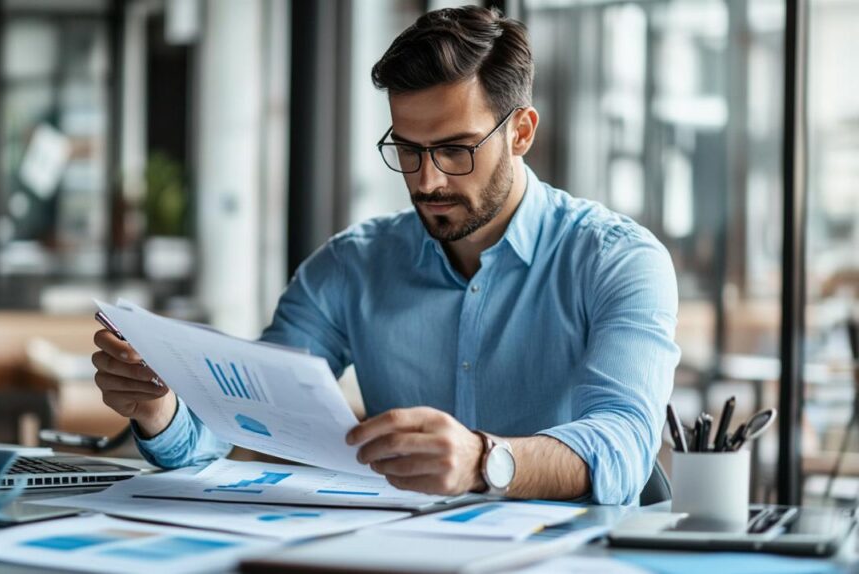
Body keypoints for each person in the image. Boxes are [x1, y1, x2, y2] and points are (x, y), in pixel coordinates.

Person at [91, 5, 679, 505]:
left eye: (454, 150)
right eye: (407, 149)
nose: (427, 181)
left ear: (521, 131)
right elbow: (251, 418)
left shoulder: (617, 261)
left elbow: (625, 445)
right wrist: (161, 409)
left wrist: (485, 461)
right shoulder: (349, 268)